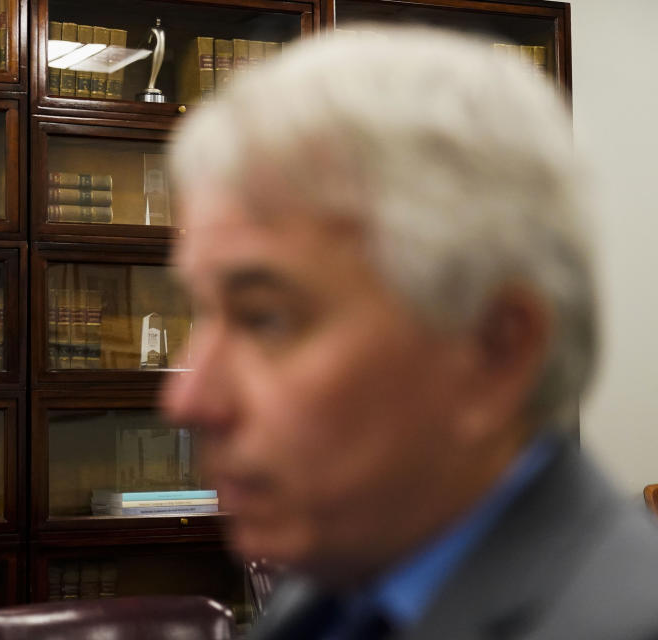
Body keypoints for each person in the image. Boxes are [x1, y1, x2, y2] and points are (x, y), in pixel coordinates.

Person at [163, 25, 658, 640]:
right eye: (201, 313)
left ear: (495, 352)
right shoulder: (327, 597)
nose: (186, 399)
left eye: (266, 318)